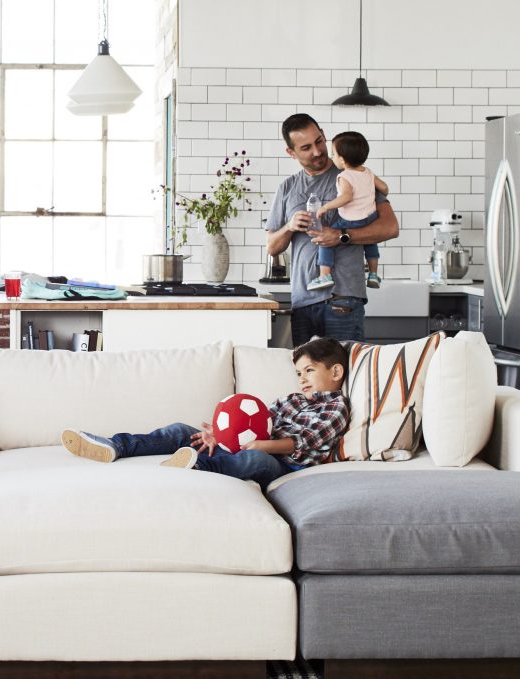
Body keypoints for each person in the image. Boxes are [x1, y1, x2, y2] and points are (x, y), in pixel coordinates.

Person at [60, 338, 350, 490]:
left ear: (335, 371)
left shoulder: (335, 408)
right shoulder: (292, 400)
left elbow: (301, 442)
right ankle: (116, 445)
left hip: (282, 463)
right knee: (181, 431)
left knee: (253, 459)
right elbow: (259, 422)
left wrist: (262, 445)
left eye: (309, 371)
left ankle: (198, 467)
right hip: (251, 443)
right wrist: (220, 435)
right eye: (299, 373)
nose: (302, 379)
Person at [266, 114, 399, 345]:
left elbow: (390, 227)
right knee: (307, 378)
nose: (317, 151)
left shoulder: (353, 175)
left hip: (343, 299)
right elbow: (272, 247)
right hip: (303, 303)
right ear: (291, 152)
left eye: (319, 141)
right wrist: (289, 226)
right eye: (306, 147)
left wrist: (342, 236)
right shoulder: (287, 187)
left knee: (345, 376)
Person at [308, 131, 390, 292]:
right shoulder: (367, 172)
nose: (331, 157)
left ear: (343, 160)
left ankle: (324, 275)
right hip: (370, 218)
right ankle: (373, 274)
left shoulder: (344, 176)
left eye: (333, 154)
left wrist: (325, 207)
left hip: (350, 220)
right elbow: (385, 188)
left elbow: (346, 197)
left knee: (325, 241)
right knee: (370, 243)